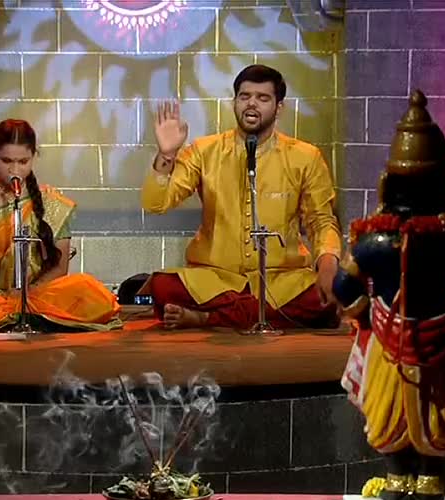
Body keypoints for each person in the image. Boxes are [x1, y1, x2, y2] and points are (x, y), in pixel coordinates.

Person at [334, 91, 445, 500]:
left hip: (397, 341)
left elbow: (342, 286)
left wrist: (368, 314)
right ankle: (427, 481)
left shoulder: (374, 241)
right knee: (432, 415)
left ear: (389, 183)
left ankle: (400, 479)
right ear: (444, 183)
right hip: (441, 340)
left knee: (389, 415)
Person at [140, 64, 343, 330]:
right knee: (162, 286)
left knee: (325, 300)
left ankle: (206, 318)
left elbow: (321, 221)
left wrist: (327, 264)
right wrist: (166, 156)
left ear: (279, 107)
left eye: (263, 98)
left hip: (281, 279)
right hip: (217, 278)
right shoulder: (205, 151)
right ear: (234, 102)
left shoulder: (305, 156)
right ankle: (250, 313)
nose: (252, 104)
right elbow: (156, 204)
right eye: (245, 96)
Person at [0, 119, 123, 333]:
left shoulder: (50, 201)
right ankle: (15, 316)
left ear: (34, 157)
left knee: (90, 291)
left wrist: (26, 294)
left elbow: (60, 267)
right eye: (6, 160)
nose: (14, 169)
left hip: (34, 294)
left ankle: (14, 314)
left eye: (23, 161)